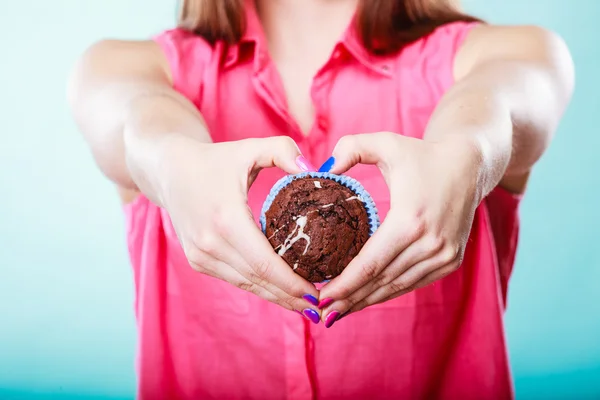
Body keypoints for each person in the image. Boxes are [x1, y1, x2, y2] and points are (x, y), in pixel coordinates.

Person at [68, 0, 574, 398]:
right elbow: (134, 116)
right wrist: (171, 158)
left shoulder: (507, 53)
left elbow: (508, 95)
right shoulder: (127, 66)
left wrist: (468, 147)